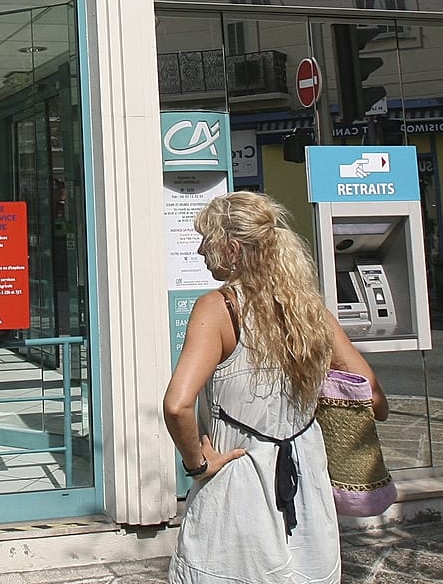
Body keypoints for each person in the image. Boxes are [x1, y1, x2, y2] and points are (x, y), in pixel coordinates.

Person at [164, 192, 388, 584]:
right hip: (307, 479)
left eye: (205, 239)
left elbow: (177, 405)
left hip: (239, 480)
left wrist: (197, 463)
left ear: (231, 248)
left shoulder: (217, 308)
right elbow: (372, 396)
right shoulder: (308, 308)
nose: (199, 249)